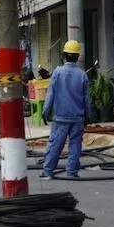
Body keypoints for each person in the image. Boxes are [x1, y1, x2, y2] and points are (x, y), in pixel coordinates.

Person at [41, 40, 93, 180]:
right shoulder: (82, 75)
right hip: (78, 118)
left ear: (64, 55)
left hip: (61, 117)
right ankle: (72, 171)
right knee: (75, 145)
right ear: (77, 57)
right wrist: (89, 115)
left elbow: (50, 94)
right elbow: (86, 99)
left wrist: (45, 112)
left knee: (55, 144)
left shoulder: (57, 72)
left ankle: (48, 171)